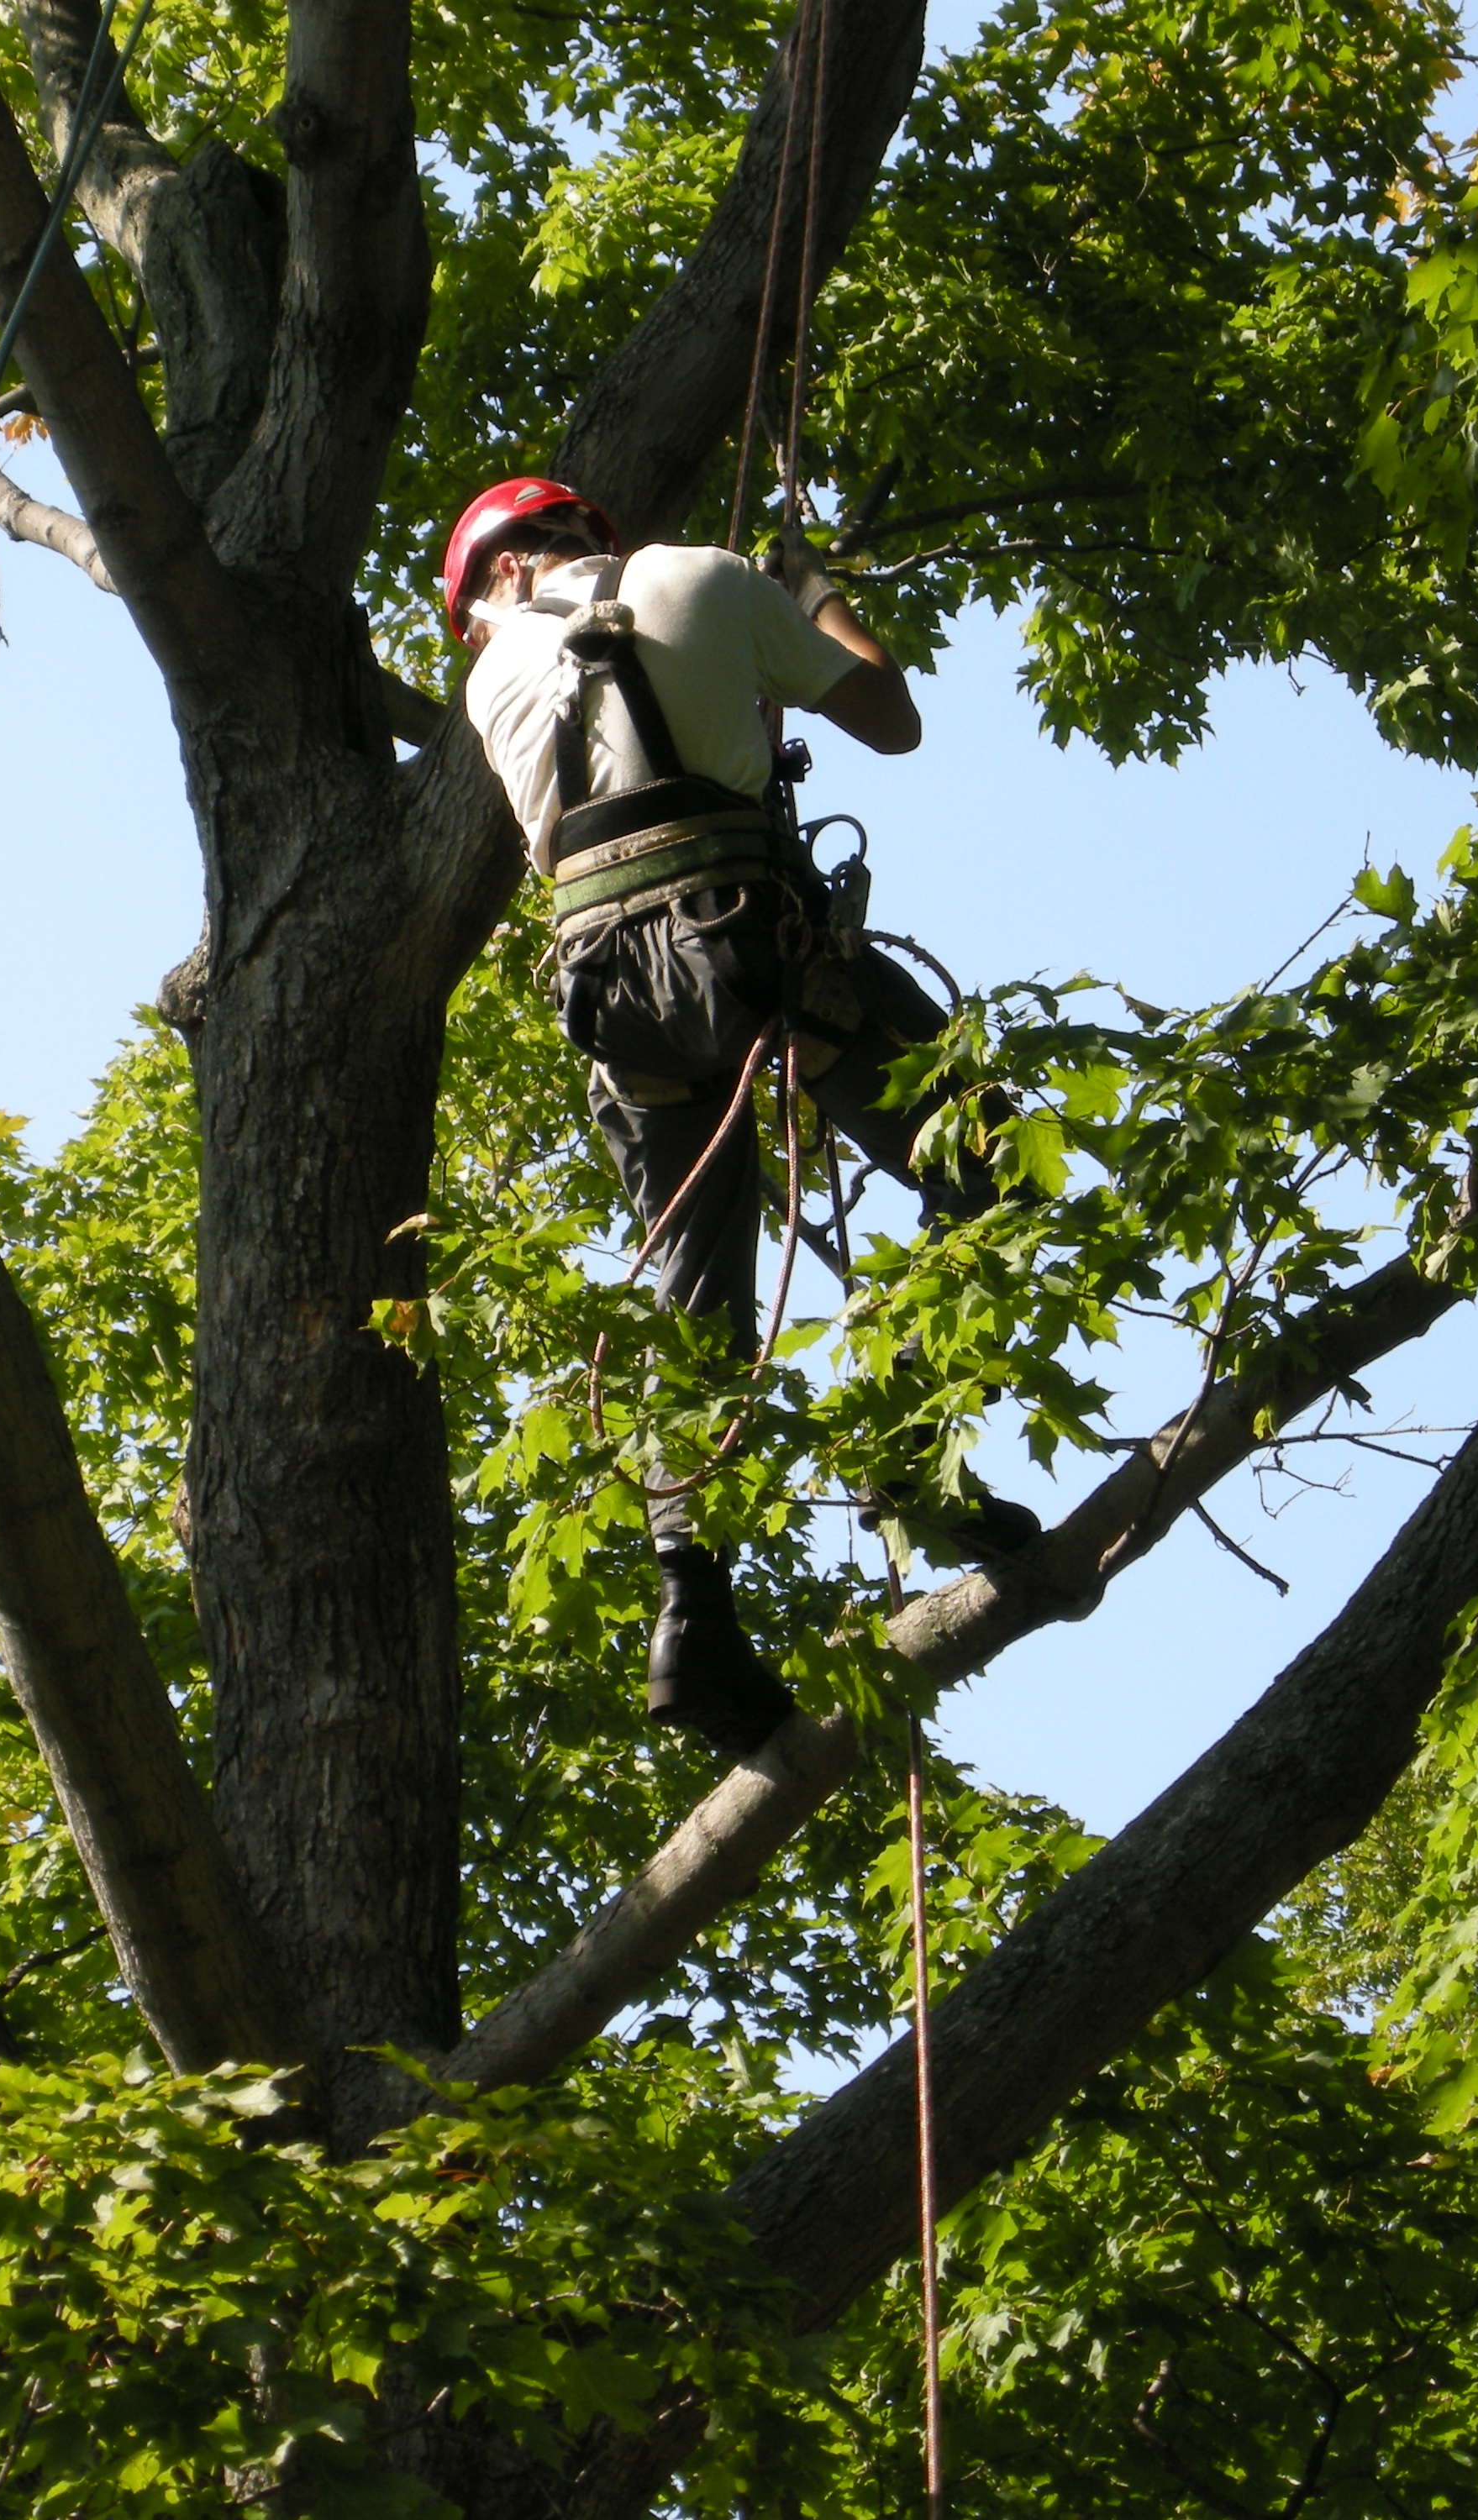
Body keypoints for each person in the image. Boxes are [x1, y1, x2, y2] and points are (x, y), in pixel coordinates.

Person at [448, 475, 1013, 1759]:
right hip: (761, 956)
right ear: (588, 536)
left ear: (495, 582)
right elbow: (893, 719)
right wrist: (807, 591)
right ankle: (913, 1443)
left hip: (623, 1011)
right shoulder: (700, 572)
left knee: (692, 1310)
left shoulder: (491, 685)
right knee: (986, 1153)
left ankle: (689, 1610)